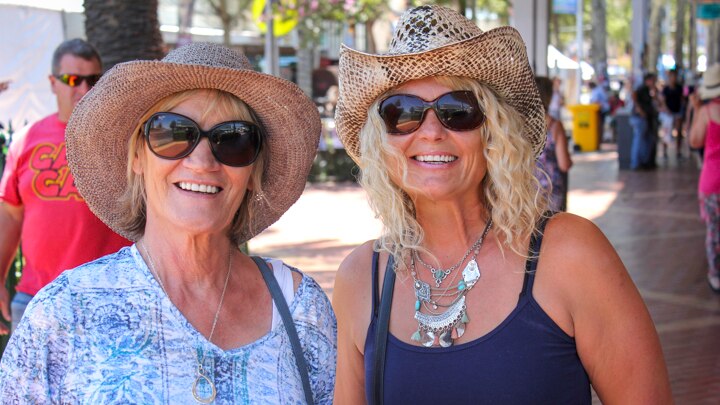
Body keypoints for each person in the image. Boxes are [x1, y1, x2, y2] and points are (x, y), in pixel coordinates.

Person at [331, 5, 671, 404]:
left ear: (493, 131)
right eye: (403, 113)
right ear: (383, 140)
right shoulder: (361, 279)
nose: (432, 132)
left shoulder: (570, 254)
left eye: (458, 111)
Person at [0, 43, 336, 403]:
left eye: (234, 139)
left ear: (253, 171)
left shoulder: (302, 308)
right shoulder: (62, 313)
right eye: (174, 132)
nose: (202, 161)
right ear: (137, 158)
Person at [0, 39, 130, 334]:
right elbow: (9, 214)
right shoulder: (25, 139)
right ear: (52, 83)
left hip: (110, 298)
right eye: (72, 80)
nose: (83, 90)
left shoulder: (124, 140)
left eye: (93, 80)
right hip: (37, 297)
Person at [689, 63, 720, 294]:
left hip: (712, 181)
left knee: (714, 230)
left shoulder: (706, 112)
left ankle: (715, 274)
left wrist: (694, 110)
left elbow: (694, 141)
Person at [534, 76, 573, 211]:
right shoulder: (554, 126)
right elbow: (564, 164)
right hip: (551, 190)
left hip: (526, 189)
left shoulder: (518, 125)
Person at [630, 73, 659, 170]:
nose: (654, 82)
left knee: (645, 140)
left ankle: (643, 161)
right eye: (653, 80)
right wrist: (640, 110)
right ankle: (636, 163)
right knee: (639, 140)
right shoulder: (641, 88)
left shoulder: (648, 90)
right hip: (639, 118)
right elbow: (634, 96)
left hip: (645, 118)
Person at [661, 69, 686, 159]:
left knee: (679, 132)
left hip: (677, 112)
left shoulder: (679, 87)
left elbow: (683, 98)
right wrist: (667, 110)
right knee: (667, 132)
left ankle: (678, 151)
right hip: (668, 114)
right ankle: (664, 151)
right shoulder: (666, 89)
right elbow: (663, 101)